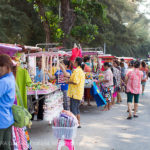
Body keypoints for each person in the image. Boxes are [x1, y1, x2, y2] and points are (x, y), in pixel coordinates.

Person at [0, 54, 15, 150]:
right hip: (8, 119)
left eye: (0, 66)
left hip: (1, 120)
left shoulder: (4, 81)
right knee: (6, 147)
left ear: (6, 67)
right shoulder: (11, 78)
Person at [67, 57, 85, 128]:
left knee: (74, 109)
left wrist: (68, 81)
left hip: (75, 93)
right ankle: (78, 123)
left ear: (77, 62)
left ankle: (74, 124)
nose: (73, 63)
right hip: (78, 93)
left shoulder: (77, 71)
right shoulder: (80, 70)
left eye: (74, 61)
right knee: (76, 109)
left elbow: (75, 82)